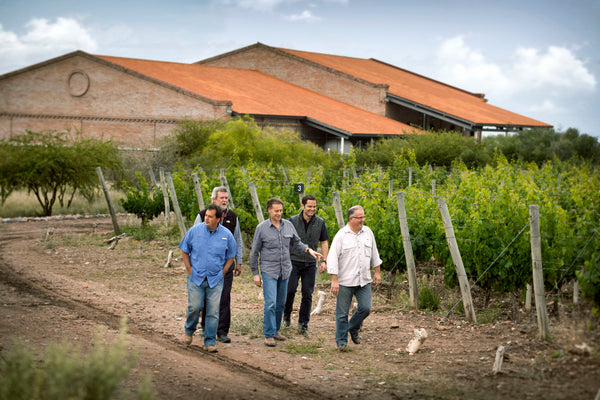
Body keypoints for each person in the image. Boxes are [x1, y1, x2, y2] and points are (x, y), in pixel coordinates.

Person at [250, 197, 322, 347]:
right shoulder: (261, 228)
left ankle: (276, 330)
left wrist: (308, 250)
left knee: (281, 303)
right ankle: (269, 334)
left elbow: (296, 242)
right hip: (269, 270)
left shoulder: (288, 225)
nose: (279, 213)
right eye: (276, 211)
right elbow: (254, 252)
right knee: (270, 303)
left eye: (281, 211)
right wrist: (255, 273)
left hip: (285, 269)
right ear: (269, 210)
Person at [180, 204, 237, 353]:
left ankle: (210, 342)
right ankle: (189, 329)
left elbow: (231, 255)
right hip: (196, 277)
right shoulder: (194, 231)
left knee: (213, 312)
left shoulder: (226, 235)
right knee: (195, 307)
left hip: (215, 279)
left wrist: (223, 272)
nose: (206, 218)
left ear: (218, 219)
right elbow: (184, 250)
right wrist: (189, 269)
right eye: (206, 216)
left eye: (210, 216)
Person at [327, 205, 381, 351]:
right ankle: (341, 342)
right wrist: (334, 280)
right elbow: (332, 259)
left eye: (363, 217)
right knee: (342, 313)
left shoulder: (368, 232)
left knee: (366, 308)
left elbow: (374, 253)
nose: (362, 220)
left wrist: (377, 272)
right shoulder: (341, 236)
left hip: (364, 279)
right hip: (345, 281)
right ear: (351, 219)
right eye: (360, 218)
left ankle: (352, 328)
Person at [194, 186, 243, 343]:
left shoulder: (233, 217)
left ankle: (222, 331)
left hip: (226, 266)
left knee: (224, 297)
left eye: (226, 198)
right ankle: (205, 328)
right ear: (213, 199)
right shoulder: (203, 216)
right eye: (221, 198)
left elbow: (237, 240)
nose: (224, 200)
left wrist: (239, 262)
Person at [284, 194, 329, 334]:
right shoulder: (292, 221)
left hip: (310, 263)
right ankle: (286, 318)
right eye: (309, 206)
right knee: (290, 290)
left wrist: (324, 261)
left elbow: (324, 242)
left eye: (314, 206)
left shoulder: (320, 222)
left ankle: (303, 324)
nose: (312, 209)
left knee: (307, 294)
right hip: (293, 261)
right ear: (302, 206)